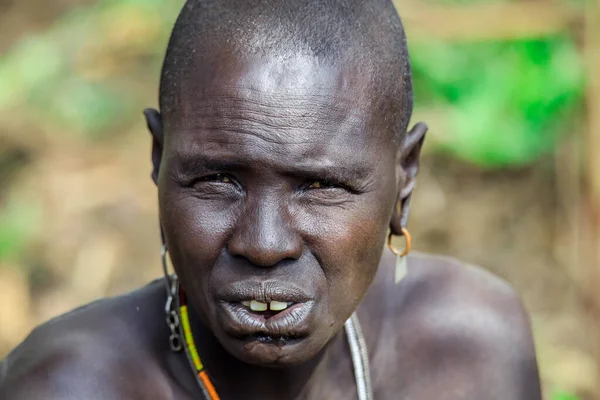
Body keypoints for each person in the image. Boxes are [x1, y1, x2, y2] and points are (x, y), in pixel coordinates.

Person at [0, 0, 542, 399]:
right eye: (218, 179)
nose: (263, 244)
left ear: (403, 179)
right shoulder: (69, 386)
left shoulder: (472, 356)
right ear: (158, 159)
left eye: (320, 186)